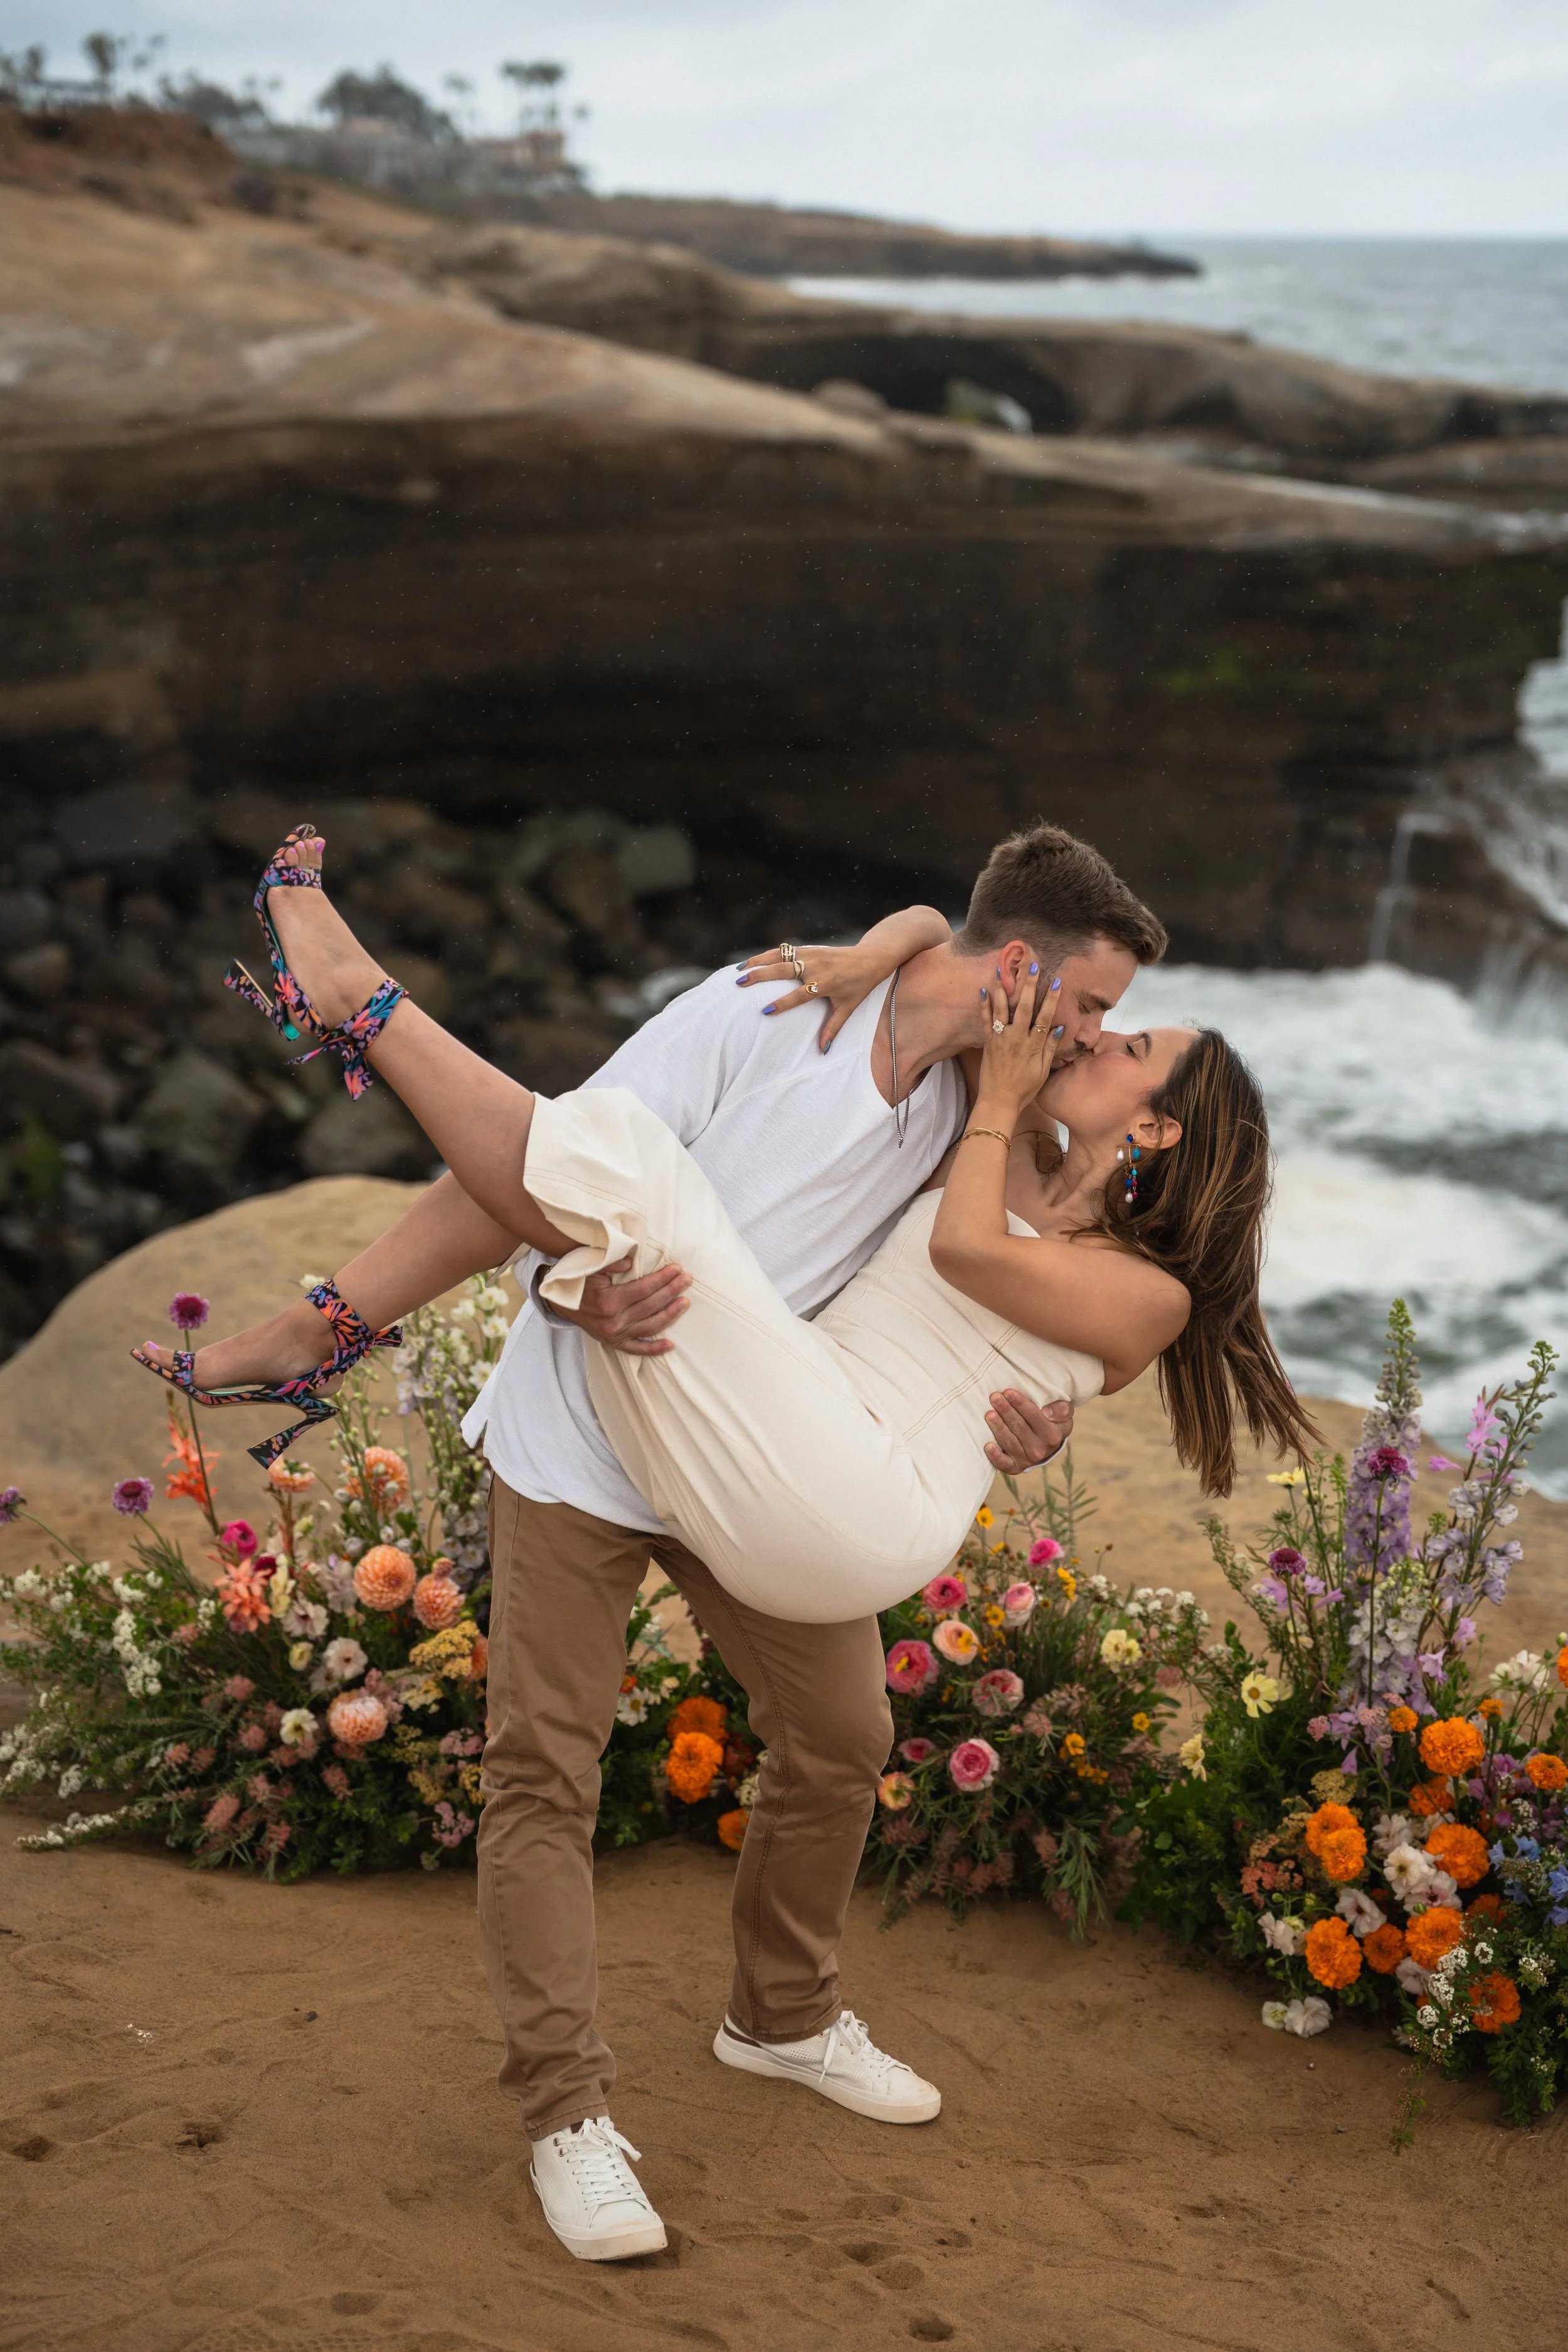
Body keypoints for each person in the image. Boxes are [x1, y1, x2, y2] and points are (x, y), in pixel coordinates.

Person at [137, 820, 1308, 2262]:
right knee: (542, 1768)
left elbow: (1017, 1261)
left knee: (837, 1735)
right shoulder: (757, 1009)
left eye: (1114, 1035)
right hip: (596, 1427)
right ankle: (568, 2116)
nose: (1090, 1036)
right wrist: (568, 1296)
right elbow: (541, 1173)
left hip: (765, 1442)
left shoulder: (979, 1105)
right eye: (1092, 1010)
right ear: (1020, 971)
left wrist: (1033, 1408)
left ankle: (784, 2017)